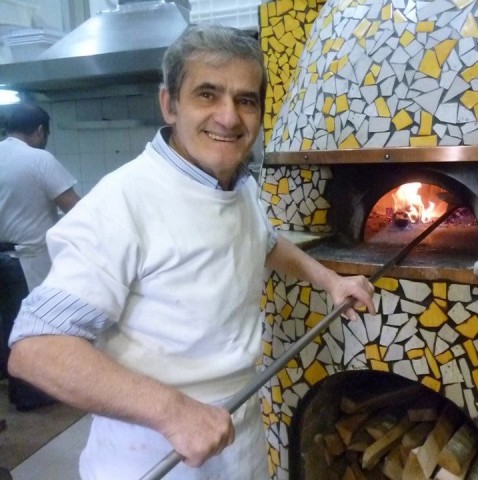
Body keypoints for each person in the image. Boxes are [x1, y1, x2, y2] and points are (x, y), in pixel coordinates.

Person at [7, 25, 375, 479]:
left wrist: (330, 281)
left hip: (240, 436)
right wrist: (173, 411)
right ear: (169, 104)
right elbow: (36, 348)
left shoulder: (239, 186)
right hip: (153, 452)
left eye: (246, 100)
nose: (229, 117)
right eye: (207, 94)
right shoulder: (122, 203)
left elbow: (263, 243)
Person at [0, 103, 80, 411]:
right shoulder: (38, 159)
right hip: (24, 261)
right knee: (28, 329)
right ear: (39, 131)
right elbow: (75, 208)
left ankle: (9, 382)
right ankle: (28, 395)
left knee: (5, 325)